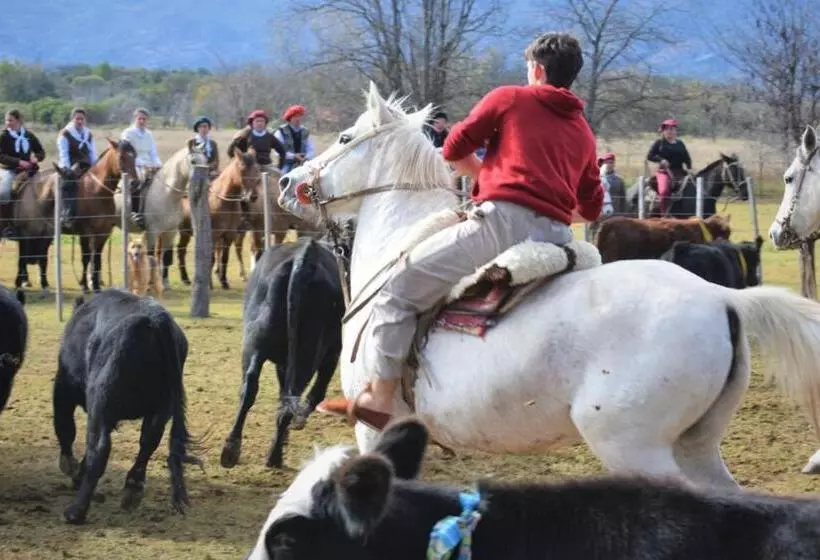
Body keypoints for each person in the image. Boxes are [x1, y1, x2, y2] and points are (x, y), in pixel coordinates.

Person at [318, 32, 604, 430]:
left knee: (396, 291)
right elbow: (589, 208)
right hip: (557, 237)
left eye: (528, 69)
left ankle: (381, 397)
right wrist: (548, 204)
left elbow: (453, 147)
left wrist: (495, 179)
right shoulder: (584, 132)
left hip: (502, 225)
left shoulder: (510, 98)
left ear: (536, 70)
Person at [227, 109, 286, 228]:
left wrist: (279, 166)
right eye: (257, 121)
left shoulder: (270, 136)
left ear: (265, 123)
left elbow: (282, 151)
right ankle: (244, 217)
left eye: (262, 121)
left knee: (283, 183)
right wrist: (237, 143)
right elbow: (230, 151)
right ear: (252, 123)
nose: (259, 123)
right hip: (250, 168)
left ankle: (285, 214)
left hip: (266, 167)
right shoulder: (246, 136)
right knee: (243, 188)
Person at [0, 109, 46, 238]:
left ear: (19, 121)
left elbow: (41, 152)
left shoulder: (29, 135)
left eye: (10, 120)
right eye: (6, 120)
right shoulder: (3, 136)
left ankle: (43, 224)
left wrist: (36, 158)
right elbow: (1, 156)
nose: (7, 123)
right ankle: (6, 225)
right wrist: (18, 162)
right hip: (9, 170)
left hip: (28, 170)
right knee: (4, 193)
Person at [120, 108, 162, 229]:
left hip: (149, 164)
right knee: (138, 181)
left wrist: (157, 165)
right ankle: (135, 211)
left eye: (144, 119)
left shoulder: (149, 134)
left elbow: (153, 152)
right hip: (134, 164)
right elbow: (127, 154)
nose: (142, 121)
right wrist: (143, 164)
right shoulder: (127, 133)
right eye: (140, 118)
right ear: (135, 119)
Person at [57, 107, 98, 228]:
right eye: (77, 119)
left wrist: (95, 167)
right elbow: (63, 154)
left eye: (82, 119)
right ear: (73, 119)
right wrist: (67, 170)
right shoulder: (65, 133)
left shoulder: (88, 133)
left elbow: (92, 153)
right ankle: (67, 215)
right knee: (70, 187)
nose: (80, 121)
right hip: (70, 168)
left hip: (86, 167)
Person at [646, 119, 692, 216]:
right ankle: (664, 215)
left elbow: (687, 157)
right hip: (664, 172)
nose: (670, 131)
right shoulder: (659, 143)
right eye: (668, 129)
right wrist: (661, 160)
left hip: (680, 172)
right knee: (664, 191)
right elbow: (650, 156)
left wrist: (689, 167)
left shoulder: (680, 143)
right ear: (663, 131)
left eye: (673, 129)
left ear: (676, 131)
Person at [274, 105, 315, 174]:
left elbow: (310, 149)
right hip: (286, 164)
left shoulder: (305, 131)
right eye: (295, 116)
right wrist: (293, 156)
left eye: (300, 116)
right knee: (283, 179)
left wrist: (307, 157)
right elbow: (277, 152)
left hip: (304, 163)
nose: (298, 119)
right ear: (290, 117)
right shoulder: (281, 131)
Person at [597, 152, 626, 217]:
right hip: (600, 213)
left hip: (615, 214)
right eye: (606, 162)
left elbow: (623, 199)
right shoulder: (596, 179)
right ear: (602, 164)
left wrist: (623, 214)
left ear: (614, 164)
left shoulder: (619, 180)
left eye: (611, 162)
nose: (608, 165)